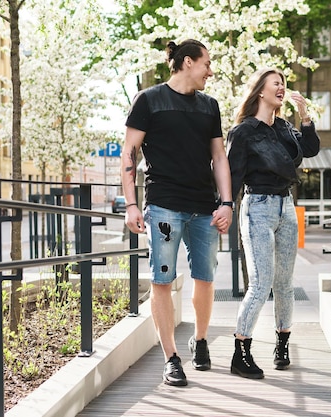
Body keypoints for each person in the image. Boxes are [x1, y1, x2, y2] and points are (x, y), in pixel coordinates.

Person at [120, 39, 233, 387]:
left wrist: (227, 202)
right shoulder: (149, 100)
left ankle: (200, 340)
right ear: (187, 62)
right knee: (162, 279)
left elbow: (220, 157)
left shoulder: (210, 106)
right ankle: (170, 358)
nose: (210, 71)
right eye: (207, 64)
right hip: (164, 205)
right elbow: (129, 153)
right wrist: (131, 204)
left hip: (203, 208)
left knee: (206, 277)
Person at [226, 68, 320, 378]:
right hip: (258, 207)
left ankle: (282, 345)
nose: (282, 87)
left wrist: (304, 115)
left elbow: (310, 149)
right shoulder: (243, 132)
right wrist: (225, 207)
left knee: (284, 284)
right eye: (275, 83)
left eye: (283, 83)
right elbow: (233, 176)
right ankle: (241, 351)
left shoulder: (284, 128)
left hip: (287, 207)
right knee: (261, 282)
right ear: (260, 92)